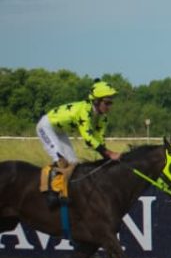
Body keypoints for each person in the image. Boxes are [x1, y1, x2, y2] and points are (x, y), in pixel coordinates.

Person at [36, 79, 123, 207]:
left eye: (111, 103)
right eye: (107, 103)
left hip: (60, 131)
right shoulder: (84, 112)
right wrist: (110, 154)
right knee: (61, 161)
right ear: (96, 101)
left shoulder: (103, 117)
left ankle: (65, 192)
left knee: (73, 163)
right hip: (46, 126)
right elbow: (88, 139)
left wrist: (107, 158)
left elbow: (98, 139)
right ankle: (50, 193)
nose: (110, 106)